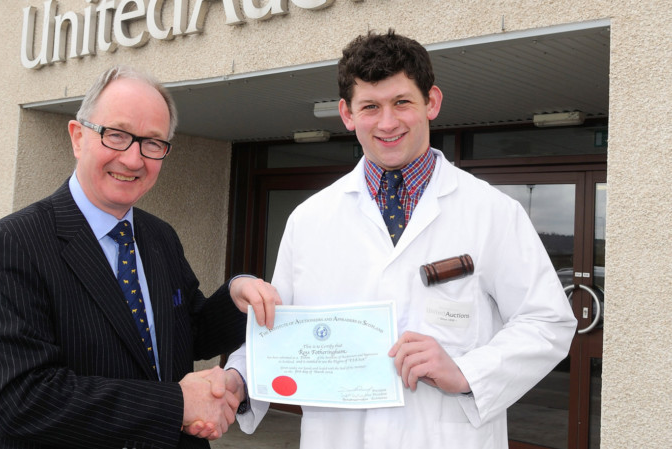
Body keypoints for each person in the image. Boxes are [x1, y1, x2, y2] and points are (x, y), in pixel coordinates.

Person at [225, 30, 577, 448]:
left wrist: (468, 372)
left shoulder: (492, 211)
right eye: (370, 106)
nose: (387, 123)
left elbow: (548, 322)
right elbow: (281, 332)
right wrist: (239, 378)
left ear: (432, 103)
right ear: (347, 113)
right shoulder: (310, 219)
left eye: (402, 102)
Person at [0, 65, 278, 449]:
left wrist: (235, 296)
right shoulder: (11, 243)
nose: (134, 160)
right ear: (78, 137)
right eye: (116, 136)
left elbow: (188, 332)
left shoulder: (159, 236)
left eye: (152, 143)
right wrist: (177, 404)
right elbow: (22, 399)